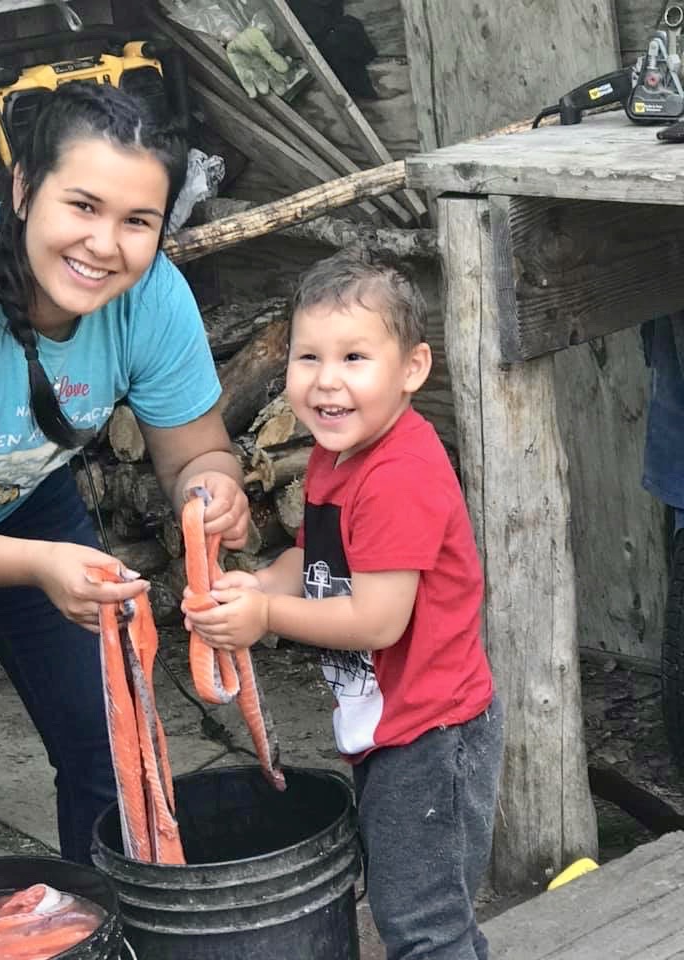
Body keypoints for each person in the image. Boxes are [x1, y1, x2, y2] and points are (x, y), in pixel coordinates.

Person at [185, 250, 504, 960]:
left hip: (433, 736)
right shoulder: (339, 453)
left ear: (413, 370)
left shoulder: (399, 475)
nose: (327, 381)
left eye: (355, 356)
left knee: (424, 924)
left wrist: (266, 619)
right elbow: (318, 560)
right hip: (391, 727)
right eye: (308, 357)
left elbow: (376, 619)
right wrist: (263, 583)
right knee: (413, 909)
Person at [0, 81, 249, 865]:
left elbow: (199, 452)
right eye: (82, 206)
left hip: (15, 503)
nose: (103, 244)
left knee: (108, 736)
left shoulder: (152, 301)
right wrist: (36, 565)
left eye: (137, 222)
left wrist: (210, 491)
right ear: (24, 189)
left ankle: (103, 923)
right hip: (24, 539)